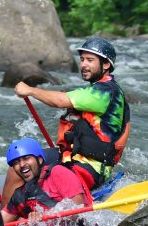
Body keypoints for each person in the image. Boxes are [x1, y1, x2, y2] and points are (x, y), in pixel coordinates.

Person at [14, 36, 130, 191]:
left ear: (106, 64)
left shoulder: (105, 92)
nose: (83, 65)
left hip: (92, 167)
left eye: (90, 60)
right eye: (82, 60)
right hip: (72, 157)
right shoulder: (94, 90)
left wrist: (30, 90)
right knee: (20, 163)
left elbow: (60, 101)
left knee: (40, 175)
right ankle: (6, 212)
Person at [0, 137, 92, 226]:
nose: (22, 165)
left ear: (39, 159)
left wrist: (44, 218)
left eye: (26, 158)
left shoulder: (58, 173)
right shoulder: (20, 193)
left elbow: (79, 210)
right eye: (16, 162)